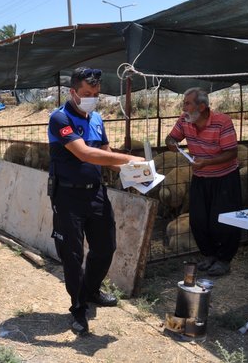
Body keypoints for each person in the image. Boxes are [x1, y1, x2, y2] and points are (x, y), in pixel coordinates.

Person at [47, 66, 145, 336]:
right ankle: (77, 308)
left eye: (96, 93)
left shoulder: (97, 118)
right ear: (73, 92)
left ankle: (90, 291)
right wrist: (129, 159)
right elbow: (85, 154)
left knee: (105, 248)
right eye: (86, 93)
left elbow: (105, 154)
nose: (92, 97)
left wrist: (137, 174)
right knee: (72, 254)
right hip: (67, 196)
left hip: (95, 193)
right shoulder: (59, 118)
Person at [165, 87, 242, 277]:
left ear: (202, 106)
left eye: (187, 103)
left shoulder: (222, 122)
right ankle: (208, 255)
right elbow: (171, 137)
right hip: (200, 177)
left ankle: (224, 260)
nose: (183, 108)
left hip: (224, 178)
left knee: (223, 220)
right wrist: (171, 143)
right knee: (199, 219)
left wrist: (207, 162)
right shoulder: (185, 120)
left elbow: (231, 152)